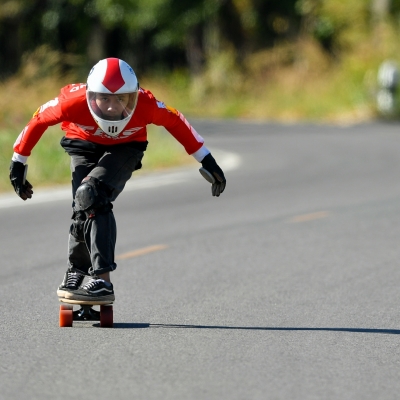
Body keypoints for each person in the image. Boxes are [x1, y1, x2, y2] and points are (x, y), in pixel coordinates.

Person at [9, 57, 226, 302]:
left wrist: (206, 159)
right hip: (83, 145)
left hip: (126, 148)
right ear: (91, 97)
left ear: (133, 96)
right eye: (104, 99)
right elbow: (38, 119)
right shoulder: (71, 102)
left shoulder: (146, 104)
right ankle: (77, 271)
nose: (112, 107)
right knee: (82, 208)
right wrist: (18, 162)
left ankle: (102, 281)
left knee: (92, 194)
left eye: (121, 99)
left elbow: (176, 121)